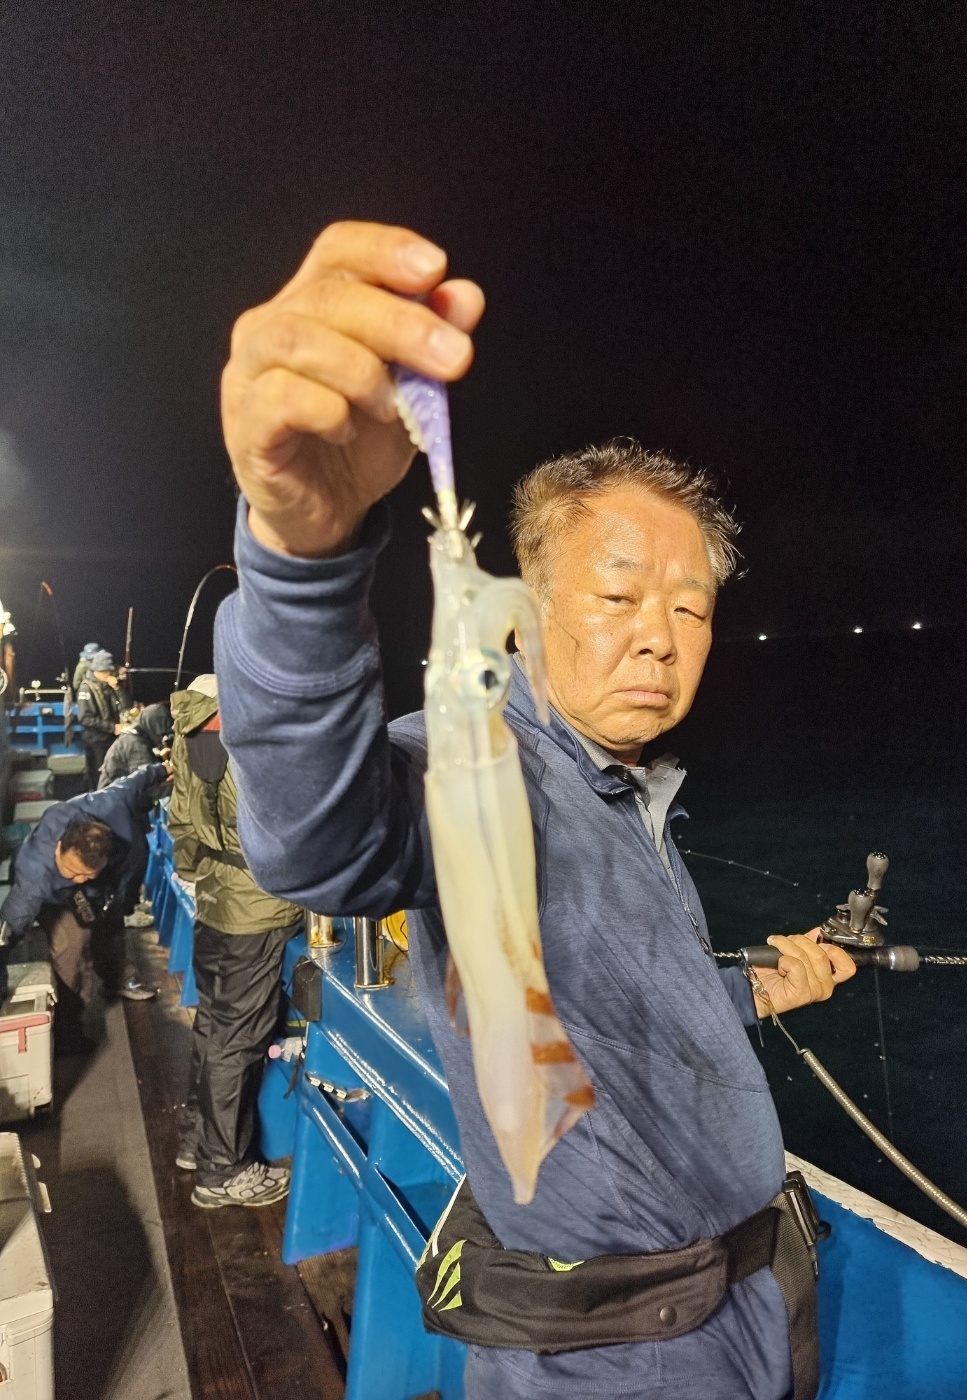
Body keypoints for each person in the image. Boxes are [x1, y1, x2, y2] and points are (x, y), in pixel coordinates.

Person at [212, 223, 856, 1400]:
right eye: (619, 593)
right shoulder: (484, 765)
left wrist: (763, 988)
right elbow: (319, 834)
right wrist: (301, 557)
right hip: (616, 1350)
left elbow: (624, 1005)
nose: (660, 636)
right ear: (525, 615)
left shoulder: (629, 787)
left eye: (691, 607)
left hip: (740, 1304)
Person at [168, 673, 302, 1210]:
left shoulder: (190, 732)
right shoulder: (253, 736)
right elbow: (287, 828)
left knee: (213, 1029)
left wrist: (201, 878)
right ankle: (223, 1171)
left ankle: (197, 1140)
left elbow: (182, 824)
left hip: (215, 903)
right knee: (238, 1042)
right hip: (258, 909)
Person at [0, 767, 163, 1036]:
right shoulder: (34, 875)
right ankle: (68, 1027)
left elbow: (138, 779)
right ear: (59, 848)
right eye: (72, 871)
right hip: (55, 897)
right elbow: (9, 927)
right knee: (72, 947)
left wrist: (165, 768)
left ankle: (117, 978)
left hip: (105, 888)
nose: (78, 879)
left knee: (109, 926)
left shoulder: (111, 804)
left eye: (86, 874)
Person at [77, 650, 131, 788]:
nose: (109, 674)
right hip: (97, 740)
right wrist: (113, 727)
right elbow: (85, 718)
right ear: (99, 670)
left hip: (112, 738)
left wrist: (117, 688)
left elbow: (126, 706)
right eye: (107, 671)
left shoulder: (109, 685)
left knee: (114, 771)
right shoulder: (86, 688)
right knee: (100, 774)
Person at [98, 702, 172, 789]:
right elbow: (147, 787)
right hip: (116, 795)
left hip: (114, 791)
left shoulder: (132, 736)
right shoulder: (136, 746)